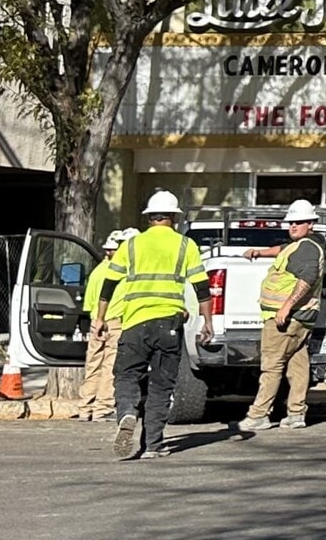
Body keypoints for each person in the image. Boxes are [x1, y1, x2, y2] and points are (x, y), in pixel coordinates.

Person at [92, 192, 212, 460]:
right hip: (169, 324)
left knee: (126, 376)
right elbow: (201, 286)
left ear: (148, 218)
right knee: (161, 385)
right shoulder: (186, 245)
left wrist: (99, 319)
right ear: (174, 218)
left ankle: (127, 413)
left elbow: (109, 284)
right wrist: (207, 321)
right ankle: (153, 446)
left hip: (134, 323)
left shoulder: (131, 245)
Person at [239, 200, 326, 432]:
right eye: (291, 222)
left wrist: (286, 307)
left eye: (298, 222)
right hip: (301, 317)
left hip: (286, 318)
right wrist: (259, 252)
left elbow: (306, 279)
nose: (293, 226)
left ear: (310, 223)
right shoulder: (301, 244)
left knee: (272, 364)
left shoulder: (307, 248)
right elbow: (282, 249)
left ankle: (258, 414)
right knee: (297, 364)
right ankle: (296, 413)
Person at [75, 229, 136, 421]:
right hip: (115, 321)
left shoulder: (97, 272)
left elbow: (89, 303)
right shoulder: (124, 273)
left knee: (93, 366)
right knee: (110, 367)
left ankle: (85, 408)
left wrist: (96, 321)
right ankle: (103, 408)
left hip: (97, 322)